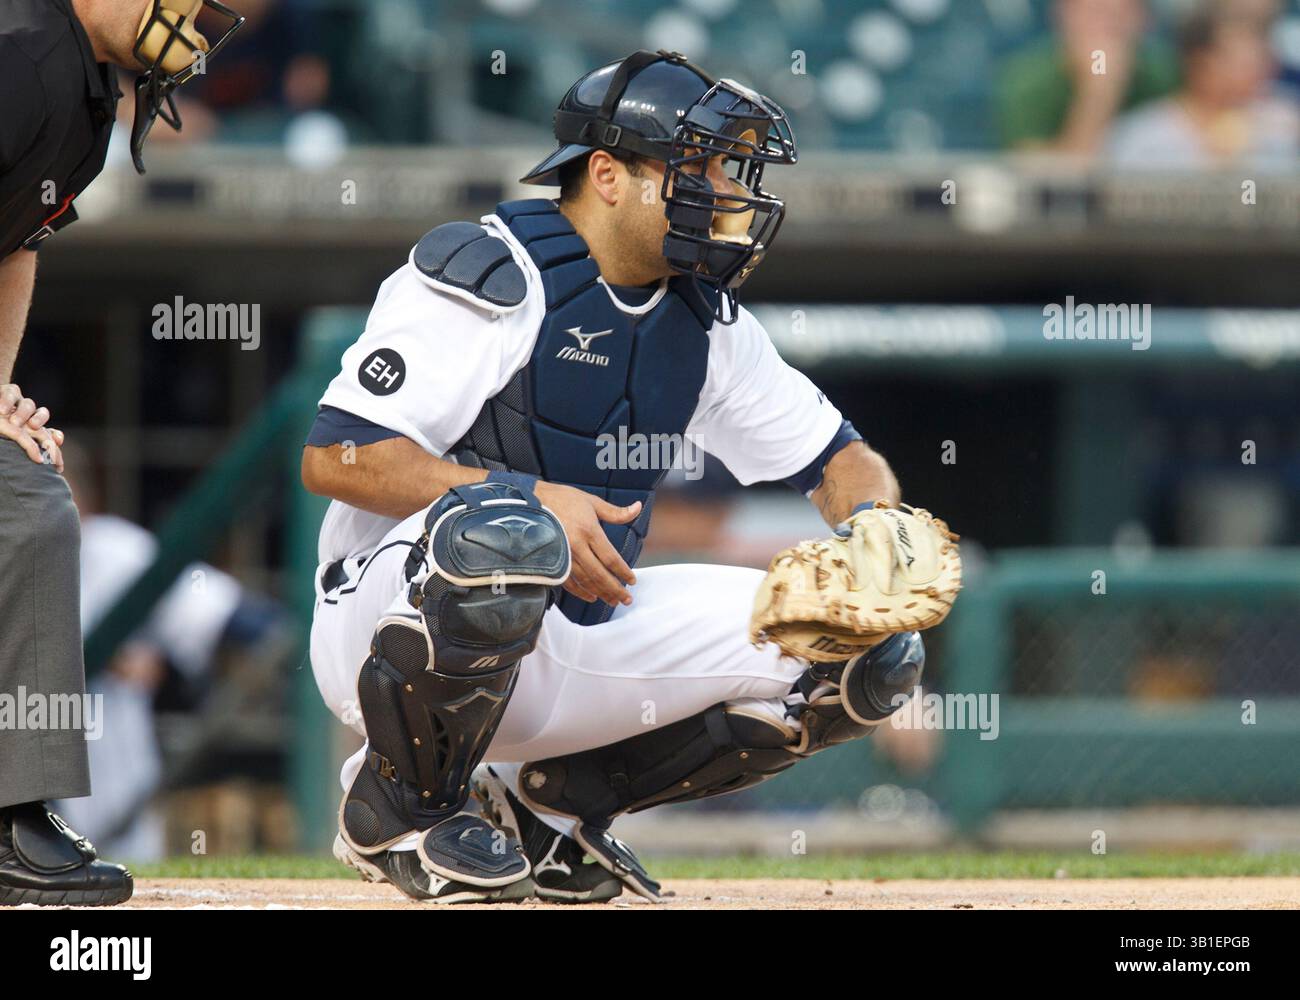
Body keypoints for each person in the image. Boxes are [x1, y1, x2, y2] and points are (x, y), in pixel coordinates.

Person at [302, 50, 923, 904]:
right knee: (511, 531)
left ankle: (547, 812)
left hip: (584, 638)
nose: (728, 192)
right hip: (392, 625)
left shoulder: (706, 321)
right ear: (607, 174)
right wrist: (522, 494)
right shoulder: (491, 272)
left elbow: (844, 462)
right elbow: (336, 457)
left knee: (872, 646)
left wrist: (875, 533)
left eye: (728, 169)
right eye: (697, 166)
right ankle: (401, 806)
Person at [0, 0, 242, 906]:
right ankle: (12, 819)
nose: (193, 14)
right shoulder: (17, 55)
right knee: (25, 510)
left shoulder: (91, 86)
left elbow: (14, 244)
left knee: (21, 482)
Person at [1106, 1, 1299, 170]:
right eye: (1240, 62)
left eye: (1259, 59)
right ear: (1199, 63)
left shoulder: (1285, 125)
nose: (1258, 70)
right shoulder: (1143, 137)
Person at [995, 0, 1177, 156]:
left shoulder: (1168, 74)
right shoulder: (1026, 78)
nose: (1104, 35)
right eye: (1094, 15)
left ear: (1144, 20)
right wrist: (1099, 92)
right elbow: (1046, 179)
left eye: (1116, 19)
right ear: (1064, 14)